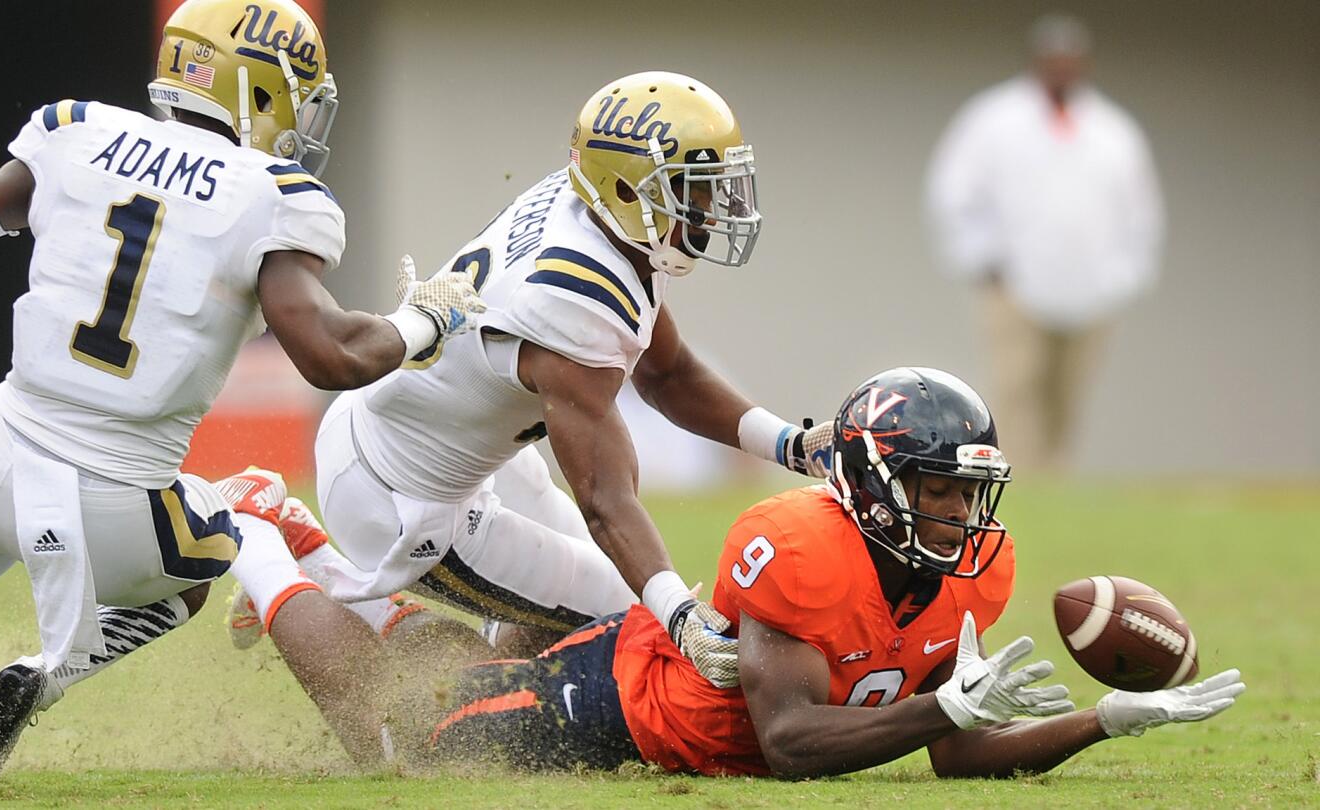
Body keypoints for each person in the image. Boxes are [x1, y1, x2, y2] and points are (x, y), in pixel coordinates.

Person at [0, 0, 482, 787]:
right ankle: (48, 672)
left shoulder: (77, 130)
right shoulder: (272, 192)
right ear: (258, 94)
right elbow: (330, 356)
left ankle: (30, 661)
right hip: (115, 505)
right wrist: (422, 322)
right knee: (223, 543)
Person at [225, 366, 1244, 775]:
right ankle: (259, 537)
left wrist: (1101, 723)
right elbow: (793, 739)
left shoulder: (979, 569)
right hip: (610, 707)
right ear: (876, 482)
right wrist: (952, 711)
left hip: (641, 679)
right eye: (935, 488)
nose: (957, 513)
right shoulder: (797, 547)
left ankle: (310, 548)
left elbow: (955, 753)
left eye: (967, 491)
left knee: (449, 679)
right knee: (403, 739)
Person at [226, 71, 830, 682]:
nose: (709, 209)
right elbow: (605, 498)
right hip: (399, 495)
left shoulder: (602, 217)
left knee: (568, 618)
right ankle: (281, 557)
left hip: (449, 444)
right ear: (626, 190)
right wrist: (681, 618)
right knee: (622, 623)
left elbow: (668, 374)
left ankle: (326, 571)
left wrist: (791, 445)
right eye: (689, 191)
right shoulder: (575, 297)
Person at [925, 14, 1165, 472]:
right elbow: (952, 191)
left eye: (1070, 60)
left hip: (1092, 294)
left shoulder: (1114, 132)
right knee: (1016, 392)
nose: (1062, 68)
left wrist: (1123, 277)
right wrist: (983, 260)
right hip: (1016, 288)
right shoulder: (993, 120)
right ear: (1038, 62)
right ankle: (1016, 482)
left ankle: (1054, 483)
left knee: (1066, 398)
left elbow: (1141, 212)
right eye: (1054, 59)